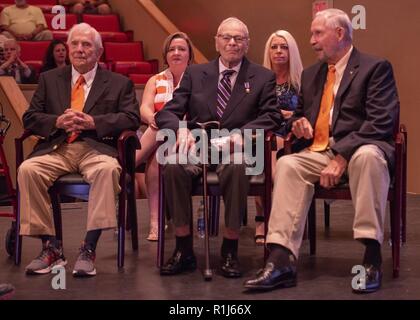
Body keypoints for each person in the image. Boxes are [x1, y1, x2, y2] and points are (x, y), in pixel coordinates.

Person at [244, 8, 399, 294]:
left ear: (339, 34)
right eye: (312, 34)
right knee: (289, 164)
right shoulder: (312, 74)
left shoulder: (374, 68)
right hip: (319, 151)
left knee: (367, 158)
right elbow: (300, 115)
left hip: (361, 147)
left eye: (318, 33)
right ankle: (281, 260)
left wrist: (342, 157)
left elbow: (381, 122)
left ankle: (371, 257)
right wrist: (299, 123)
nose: (312, 40)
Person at [155, 17, 282, 278]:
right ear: (216, 41)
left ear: (247, 44)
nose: (232, 43)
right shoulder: (194, 73)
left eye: (238, 38)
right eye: (226, 37)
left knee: (236, 167)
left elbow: (272, 116)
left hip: (239, 148)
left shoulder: (262, 76)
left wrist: (242, 135)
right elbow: (168, 112)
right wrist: (180, 129)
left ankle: (230, 248)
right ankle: (183, 248)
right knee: (173, 166)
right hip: (198, 147)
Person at [17, 23, 140, 277]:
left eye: (87, 45)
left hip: (97, 148)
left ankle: (89, 247)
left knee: (107, 170)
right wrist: (56, 122)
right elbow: (30, 118)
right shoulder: (49, 79)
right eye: (75, 44)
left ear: (99, 52)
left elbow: (130, 118)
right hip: (58, 147)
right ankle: (51, 247)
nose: (80, 49)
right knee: (28, 169)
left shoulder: (119, 83)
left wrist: (95, 122)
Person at [135, 32, 194, 241]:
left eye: (181, 49)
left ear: (189, 54)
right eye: (171, 49)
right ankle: (155, 221)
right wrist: (152, 118)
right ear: (165, 54)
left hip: (187, 138)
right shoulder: (156, 79)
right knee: (158, 146)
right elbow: (144, 107)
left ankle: (125, 163)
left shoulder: (198, 77)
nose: (176, 53)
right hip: (158, 135)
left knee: (161, 133)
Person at [254, 30, 303, 245]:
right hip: (266, 130)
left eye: (284, 47)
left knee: (269, 151)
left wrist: (290, 115)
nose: (279, 51)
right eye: (274, 47)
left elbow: (310, 112)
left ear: (291, 51)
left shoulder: (302, 79)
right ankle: (264, 218)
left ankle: (274, 218)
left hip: (291, 133)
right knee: (262, 149)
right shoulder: (258, 79)